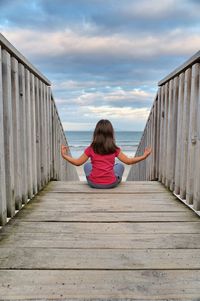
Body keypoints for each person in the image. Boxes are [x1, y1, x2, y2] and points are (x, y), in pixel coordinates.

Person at [61, 119, 152, 189]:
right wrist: (144, 156)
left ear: (96, 133)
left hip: (94, 184)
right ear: (111, 133)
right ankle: (109, 174)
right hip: (111, 184)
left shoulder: (91, 148)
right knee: (120, 166)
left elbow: (78, 162)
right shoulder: (114, 149)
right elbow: (128, 161)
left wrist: (65, 155)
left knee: (87, 165)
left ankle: (98, 176)